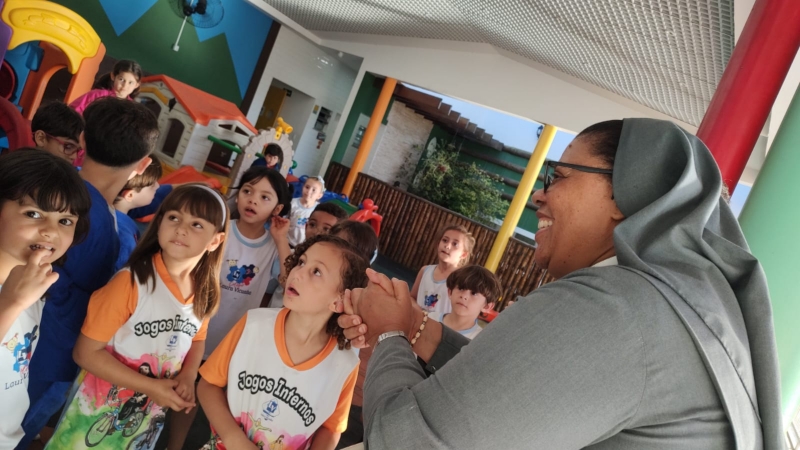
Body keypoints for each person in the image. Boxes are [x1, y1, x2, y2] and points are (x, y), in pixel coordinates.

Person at [338, 119, 783, 449]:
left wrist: (389, 335)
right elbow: (509, 381)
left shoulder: (615, 307)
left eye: (559, 176)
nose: (539, 194)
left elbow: (409, 442)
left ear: (623, 194)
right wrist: (416, 326)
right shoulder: (664, 311)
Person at [45, 184, 229, 449]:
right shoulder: (130, 283)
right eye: (174, 217)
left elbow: (197, 338)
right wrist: (151, 388)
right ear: (160, 222)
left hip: (146, 421)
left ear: (215, 241)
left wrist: (188, 375)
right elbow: (85, 353)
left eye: (197, 224)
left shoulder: (203, 292)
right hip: (92, 414)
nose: (181, 228)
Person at [21, 98, 158, 449]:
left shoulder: (46, 191)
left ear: (81, 138)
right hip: (47, 359)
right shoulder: (110, 228)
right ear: (143, 164)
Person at [197, 235, 368, 450]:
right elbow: (208, 385)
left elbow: (331, 428)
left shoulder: (345, 364)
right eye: (301, 262)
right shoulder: (253, 324)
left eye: (316, 271)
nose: (297, 273)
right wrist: (233, 437)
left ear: (340, 300)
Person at [0, 150, 90, 448]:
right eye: (33, 214)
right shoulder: (19, 294)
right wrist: (10, 304)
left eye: (65, 220)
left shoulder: (36, 287)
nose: (51, 231)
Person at [266, 202, 348, 310]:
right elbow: (272, 289)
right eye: (312, 225)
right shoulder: (287, 254)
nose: (317, 232)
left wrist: (281, 239)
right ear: (305, 226)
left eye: (326, 229)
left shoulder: (334, 272)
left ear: (338, 236)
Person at [69, 60, 144, 167]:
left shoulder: (133, 109)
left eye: (130, 82)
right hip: (80, 144)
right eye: (121, 79)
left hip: (105, 154)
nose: (124, 85)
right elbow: (72, 112)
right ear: (113, 76)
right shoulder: (96, 96)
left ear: (137, 84)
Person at [113, 154, 163, 271]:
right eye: (152, 185)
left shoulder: (113, 215)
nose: (157, 186)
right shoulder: (124, 239)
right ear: (130, 195)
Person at [410, 225, 473, 314]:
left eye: (455, 244)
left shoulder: (462, 280)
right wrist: (420, 313)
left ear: (463, 254)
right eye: (445, 240)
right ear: (438, 244)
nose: (447, 246)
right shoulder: (425, 271)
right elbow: (412, 297)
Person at [430, 265, 501, 340]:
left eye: (474, 293)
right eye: (461, 288)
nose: (464, 296)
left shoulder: (480, 340)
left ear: (486, 306)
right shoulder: (429, 319)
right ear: (450, 292)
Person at [287, 177, 325, 247]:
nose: (309, 191)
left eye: (314, 190)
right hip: (288, 242)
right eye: (307, 187)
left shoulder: (319, 210)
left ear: (319, 195)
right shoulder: (292, 204)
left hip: (305, 246)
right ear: (303, 187)